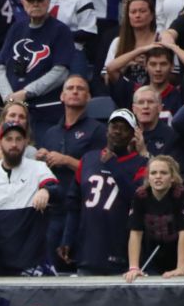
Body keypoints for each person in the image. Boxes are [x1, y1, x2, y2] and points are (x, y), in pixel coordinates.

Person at [59, 108, 145, 275]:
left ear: (132, 134)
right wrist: (67, 238)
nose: (118, 131)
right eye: (114, 126)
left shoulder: (141, 164)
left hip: (120, 246)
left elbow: (137, 199)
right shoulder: (88, 159)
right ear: (107, 130)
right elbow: (74, 204)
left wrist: (113, 165)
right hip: (88, 247)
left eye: (124, 128)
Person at [36, 75, 108, 268]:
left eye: (80, 88)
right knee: (52, 266)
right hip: (55, 209)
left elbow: (99, 171)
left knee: (79, 265)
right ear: (62, 96)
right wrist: (41, 159)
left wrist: (66, 160)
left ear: (89, 97)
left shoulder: (98, 130)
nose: (75, 91)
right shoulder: (51, 133)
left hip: (83, 209)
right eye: (70, 88)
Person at [0, 122, 60, 277]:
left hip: (34, 262)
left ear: (26, 142)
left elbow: (57, 190)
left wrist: (46, 191)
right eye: (9, 139)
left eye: (19, 139)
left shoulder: (39, 168)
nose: (14, 144)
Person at [0, 0, 75, 127]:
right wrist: (10, 98)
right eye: (31, 0)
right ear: (23, 3)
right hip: (13, 112)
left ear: (49, 1)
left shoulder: (61, 30)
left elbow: (61, 71)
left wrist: (26, 93)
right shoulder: (16, 28)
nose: (36, 4)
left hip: (45, 112)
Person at [126, 154, 184, 280]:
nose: (158, 176)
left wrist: (181, 268)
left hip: (176, 256)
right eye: (153, 173)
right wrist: (133, 267)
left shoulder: (181, 194)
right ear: (148, 177)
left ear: (172, 177)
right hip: (151, 258)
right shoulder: (140, 195)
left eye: (163, 173)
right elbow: (135, 232)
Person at [132, 85, 184, 174]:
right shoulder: (127, 135)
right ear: (134, 109)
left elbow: (174, 174)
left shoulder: (172, 137)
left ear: (160, 108)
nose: (145, 106)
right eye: (141, 102)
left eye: (150, 102)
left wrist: (145, 153)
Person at [47, 0, 99, 78]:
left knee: (76, 84)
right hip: (43, 49)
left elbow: (89, 31)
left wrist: (60, 36)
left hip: (72, 50)